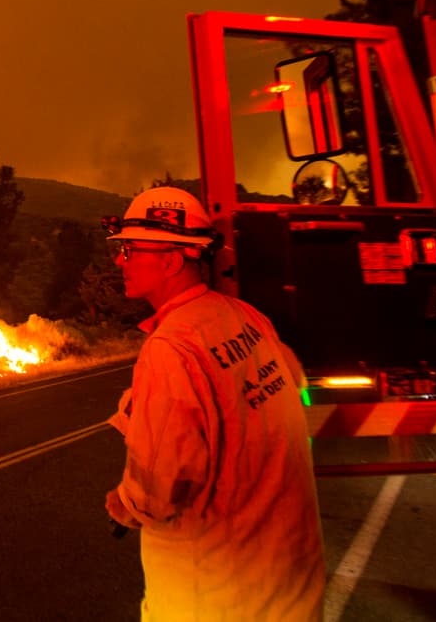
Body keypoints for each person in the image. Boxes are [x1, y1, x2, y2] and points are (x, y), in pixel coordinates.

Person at [103, 186, 325, 621]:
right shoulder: (245, 317)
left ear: (170, 260)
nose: (119, 261)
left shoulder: (173, 347)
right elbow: (293, 388)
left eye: (129, 250)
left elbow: (162, 487)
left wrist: (126, 504)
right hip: (292, 584)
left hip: (217, 596)